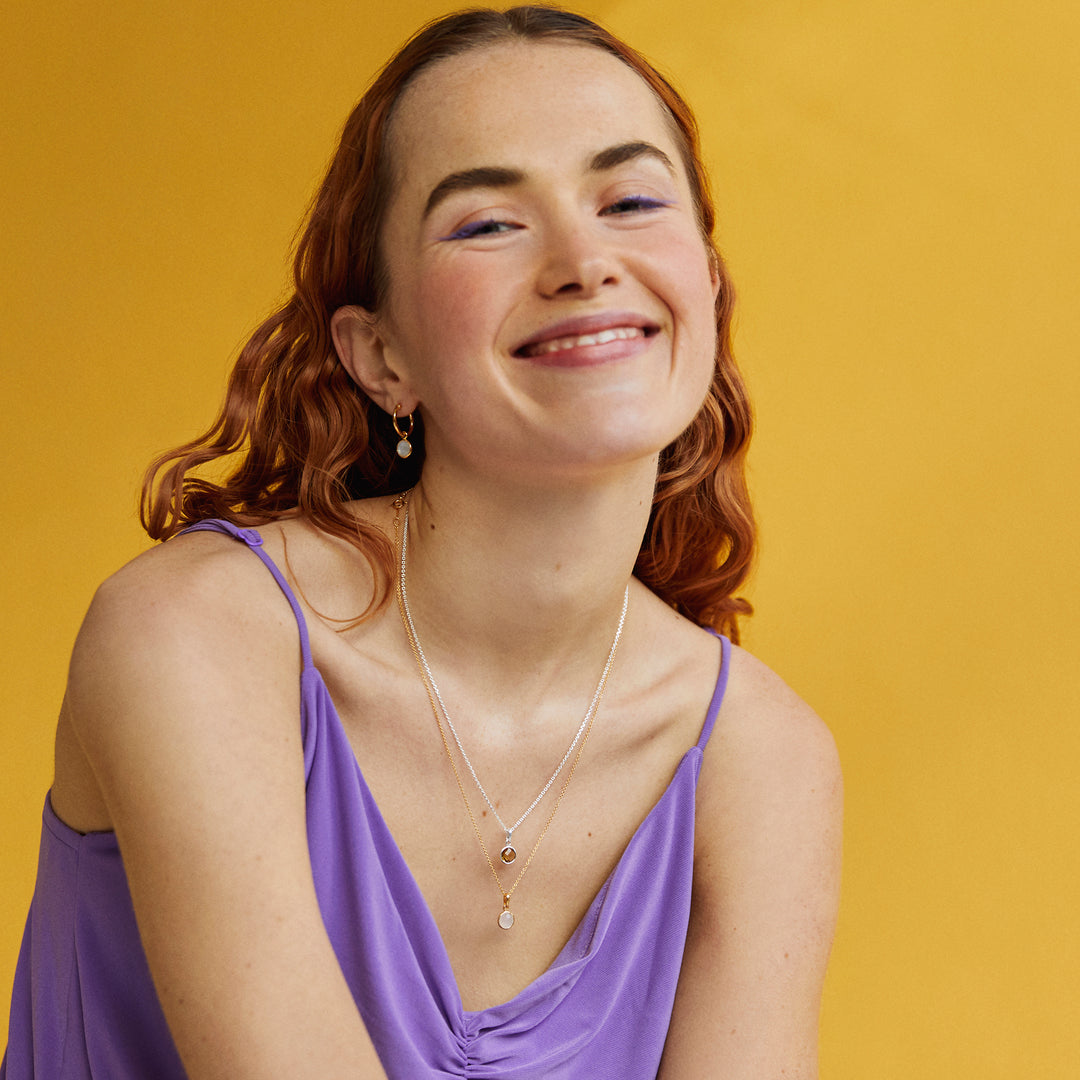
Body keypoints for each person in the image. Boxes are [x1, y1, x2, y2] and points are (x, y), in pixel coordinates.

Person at [2, 6, 842, 1078]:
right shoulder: (197, 639)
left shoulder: (761, 764)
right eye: (488, 222)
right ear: (380, 354)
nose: (585, 260)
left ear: (708, 293)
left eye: (631, 200)